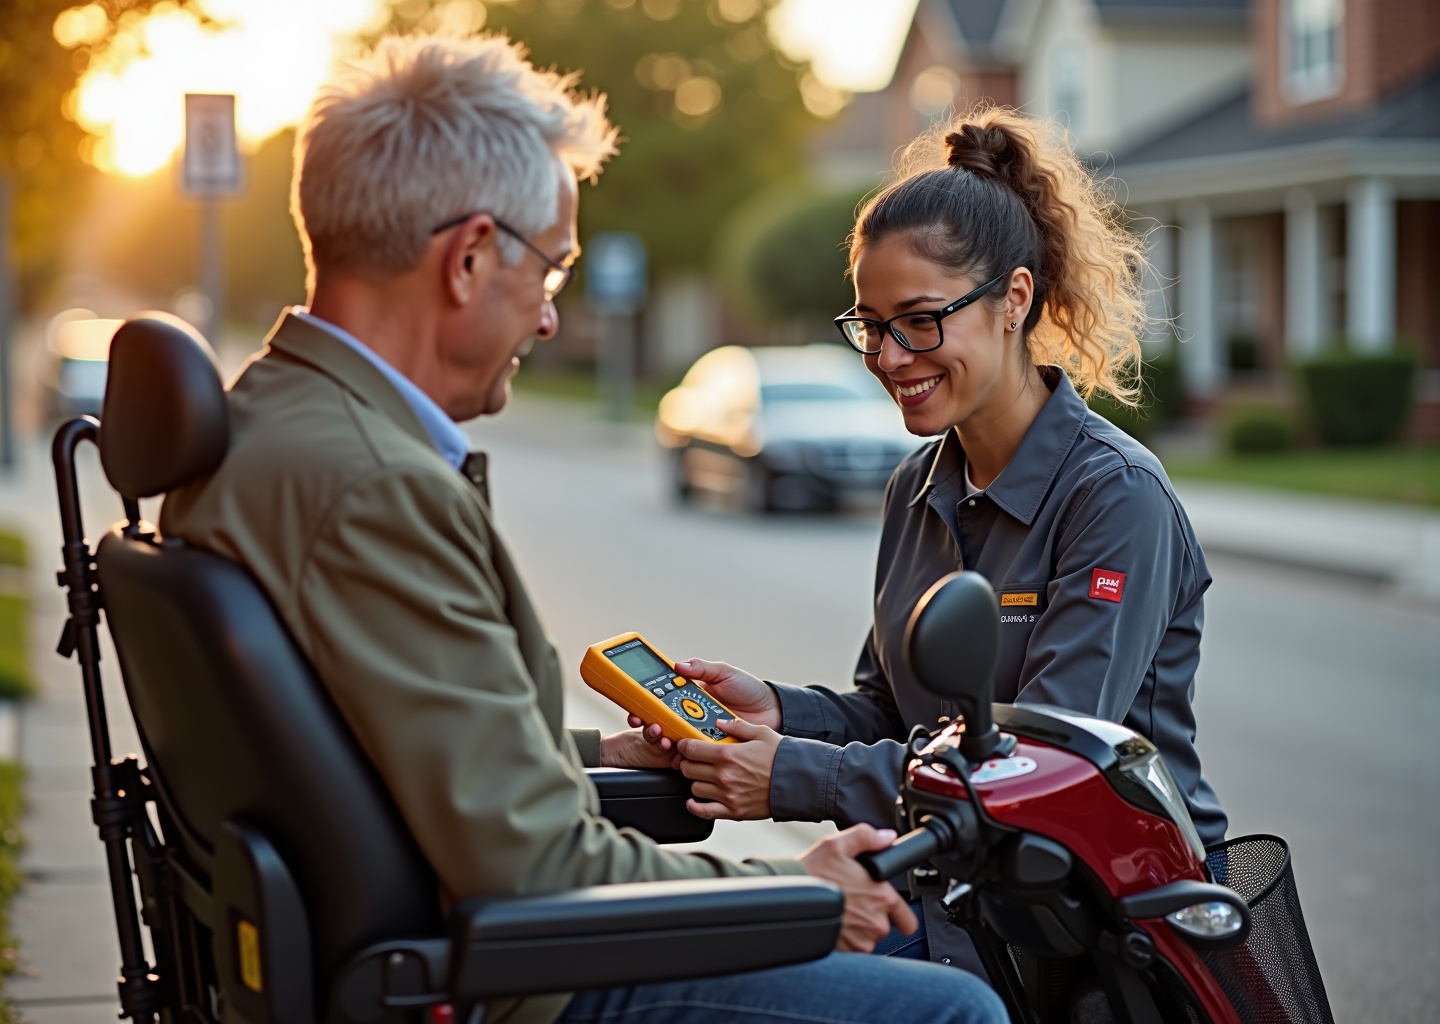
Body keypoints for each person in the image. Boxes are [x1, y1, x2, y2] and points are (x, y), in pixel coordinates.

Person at [159, 32, 1006, 1024]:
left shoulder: (270, 430)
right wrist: (797, 893)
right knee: (955, 1010)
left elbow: (390, 750)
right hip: (513, 980)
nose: (552, 320)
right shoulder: (371, 487)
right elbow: (537, 866)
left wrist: (598, 748)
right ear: (470, 258)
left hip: (420, 942)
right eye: (552, 272)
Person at [628, 107, 1229, 970]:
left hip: (1106, 928)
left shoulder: (1115, 497)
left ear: (1014, 300)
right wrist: (773, 709)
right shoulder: (919, 485)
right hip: (962, 892)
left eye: (918, 319)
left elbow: (1040, 766)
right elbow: (893, 712)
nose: (888, 356)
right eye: (870, 325)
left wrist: (795, 774)